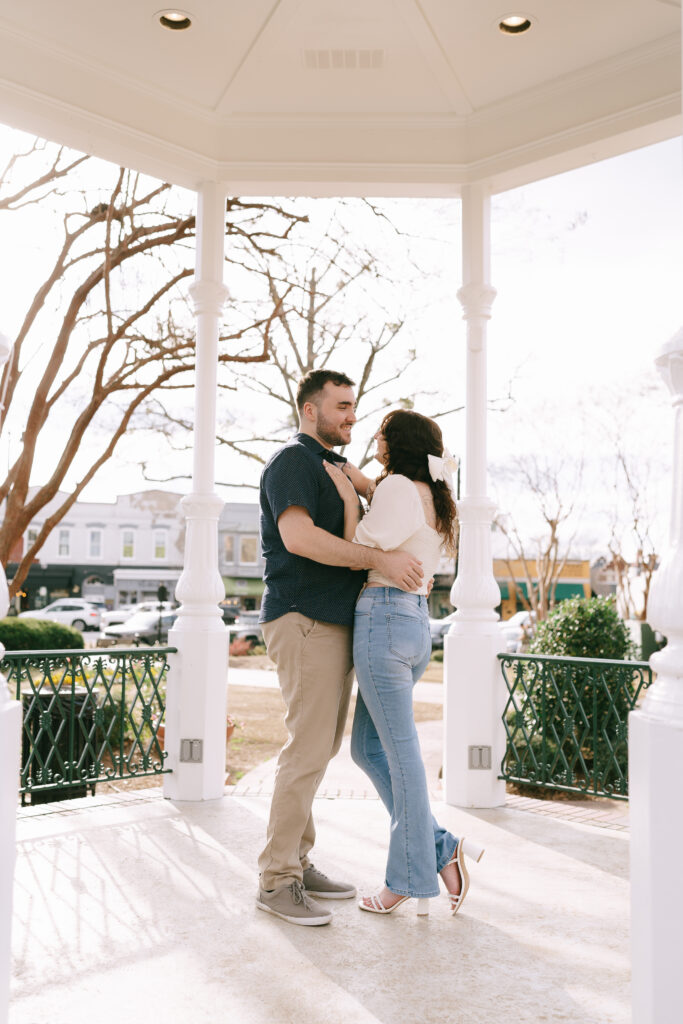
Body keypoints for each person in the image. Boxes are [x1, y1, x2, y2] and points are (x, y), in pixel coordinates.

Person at [256, 369, 425, 927]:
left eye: (354, 406)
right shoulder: (293, 463)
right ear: (310, 410)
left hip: (331, 622)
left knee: (321, 748)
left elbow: (378, 517)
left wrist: (363, 481)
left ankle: (297, 862)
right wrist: (380, 561)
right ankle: (277, 880)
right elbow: (299, 538)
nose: (352, 415)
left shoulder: (332, 468)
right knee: (306, 750)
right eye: (342, 406)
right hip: (304, 617)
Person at [324, 409, 485, 916]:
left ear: (399, 443)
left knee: (400, 757)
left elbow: (358, 548)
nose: (374, 435)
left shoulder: (395, 487)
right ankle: (441, 848)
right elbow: (400, 527)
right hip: (413, 625)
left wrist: (352, 496)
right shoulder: (434, 497)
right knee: (368, 751)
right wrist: (368, 484)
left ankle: (407, 882)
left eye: (383, 431)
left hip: (384, 620)